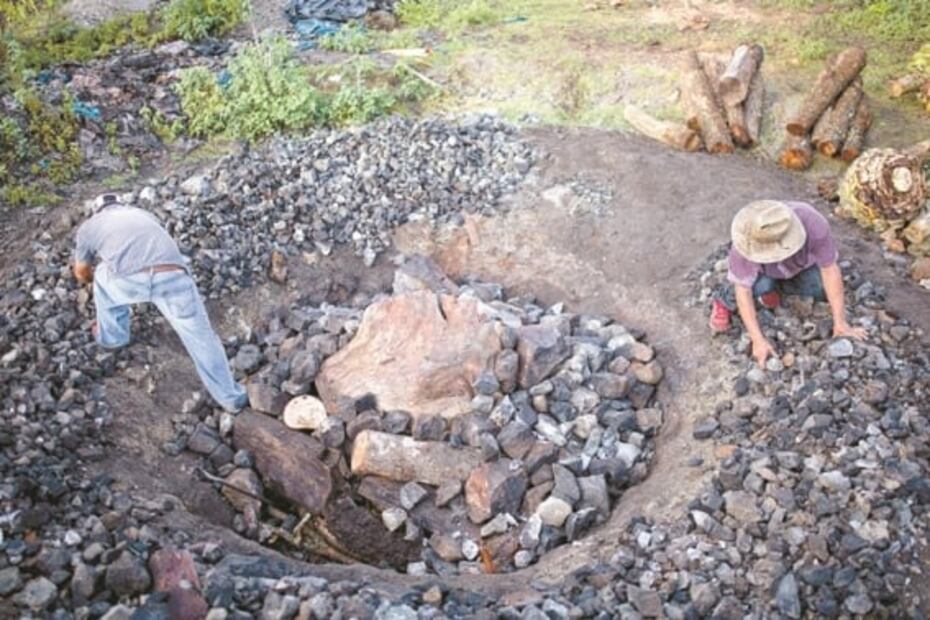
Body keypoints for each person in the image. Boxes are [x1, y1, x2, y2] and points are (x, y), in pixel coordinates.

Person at [72, 193, 247, 412]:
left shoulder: (89, 227)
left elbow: (81, 272)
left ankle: (113, 337)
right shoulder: (143, 214)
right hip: (174, 276)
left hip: (131, 281)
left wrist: (91, 281)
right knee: (201, 338)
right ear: (121, 204)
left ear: (97, 211)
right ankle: (232, 399)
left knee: (101, 277)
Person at [709, 199, 866, 367]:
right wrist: (758, 340)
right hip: (763, 272)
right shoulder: (745, 242)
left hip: (800, 265)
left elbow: (830, 269)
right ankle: (723, 299)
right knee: (759, 286)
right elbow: (743, 290)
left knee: (819, 289)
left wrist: (840, 322)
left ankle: (777, 288)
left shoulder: (813, 223)